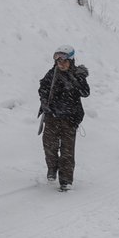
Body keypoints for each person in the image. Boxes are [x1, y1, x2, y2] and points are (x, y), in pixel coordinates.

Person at [38, 45, 90, 192]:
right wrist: (44, 102)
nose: (61, 63)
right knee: (49, 146)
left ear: (71, 60)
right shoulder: (52, 73)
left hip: (70, 118)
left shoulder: (77, 74)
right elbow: (42, 88)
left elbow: (85, 92)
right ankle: (52, 169)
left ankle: (66, 180)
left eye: (64, 60)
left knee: (67, 151)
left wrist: (77, 79)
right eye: (58, 60)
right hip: (52, 116)